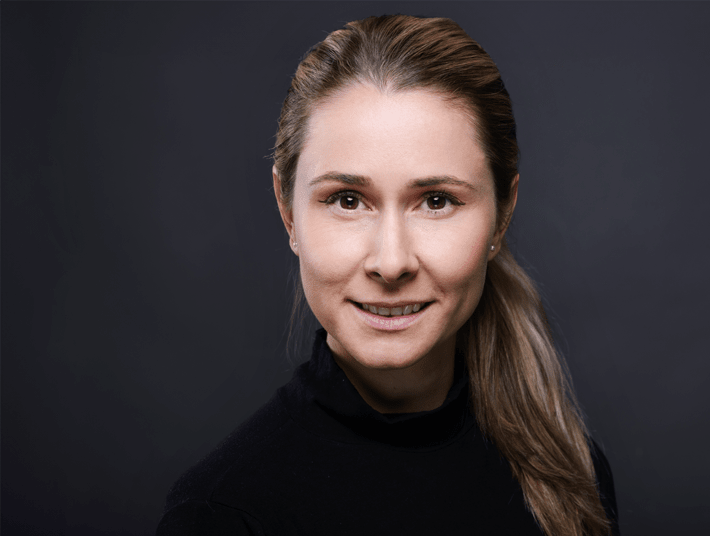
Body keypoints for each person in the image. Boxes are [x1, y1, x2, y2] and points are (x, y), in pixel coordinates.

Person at [156, 14, 619, 536]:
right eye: (347, 200)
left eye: (437, 201)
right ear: (288, 213)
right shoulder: (221, 514)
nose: (392, 261)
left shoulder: (571, 475)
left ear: (503, 213)